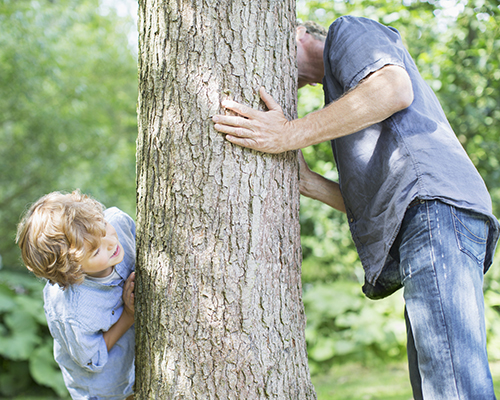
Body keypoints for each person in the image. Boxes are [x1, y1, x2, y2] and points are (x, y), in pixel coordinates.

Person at [212, 16, 500, 399]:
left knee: (452, 388)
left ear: (297, 33)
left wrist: (287, 133)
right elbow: (382, 196)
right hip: (429, 215)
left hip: (434, 210)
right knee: (436, 386)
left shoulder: (348, 31)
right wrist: (310, 183)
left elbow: (394, 89)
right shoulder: (342, 94)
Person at [16, 190, 136, 400]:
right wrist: (128, 314)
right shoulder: (75, 312)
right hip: (106, 388)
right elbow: (92, 358)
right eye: (96, 251)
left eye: (103, 227)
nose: (110, 242)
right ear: (72, 270)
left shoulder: (119, 224)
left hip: (135, 359)